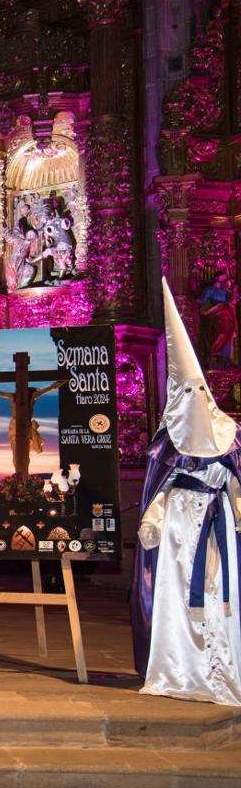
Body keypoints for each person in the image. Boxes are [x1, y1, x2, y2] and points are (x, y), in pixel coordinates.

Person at [132, 278, 241, 706]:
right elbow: (160, 487)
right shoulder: (169, 441)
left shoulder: (229, 432)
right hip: (179, 526)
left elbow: (234, 478)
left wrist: (236, 503)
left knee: (220, 592)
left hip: (219, 522)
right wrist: (153, 518)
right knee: (180, 592)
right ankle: (180, 665)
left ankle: (223, 664)